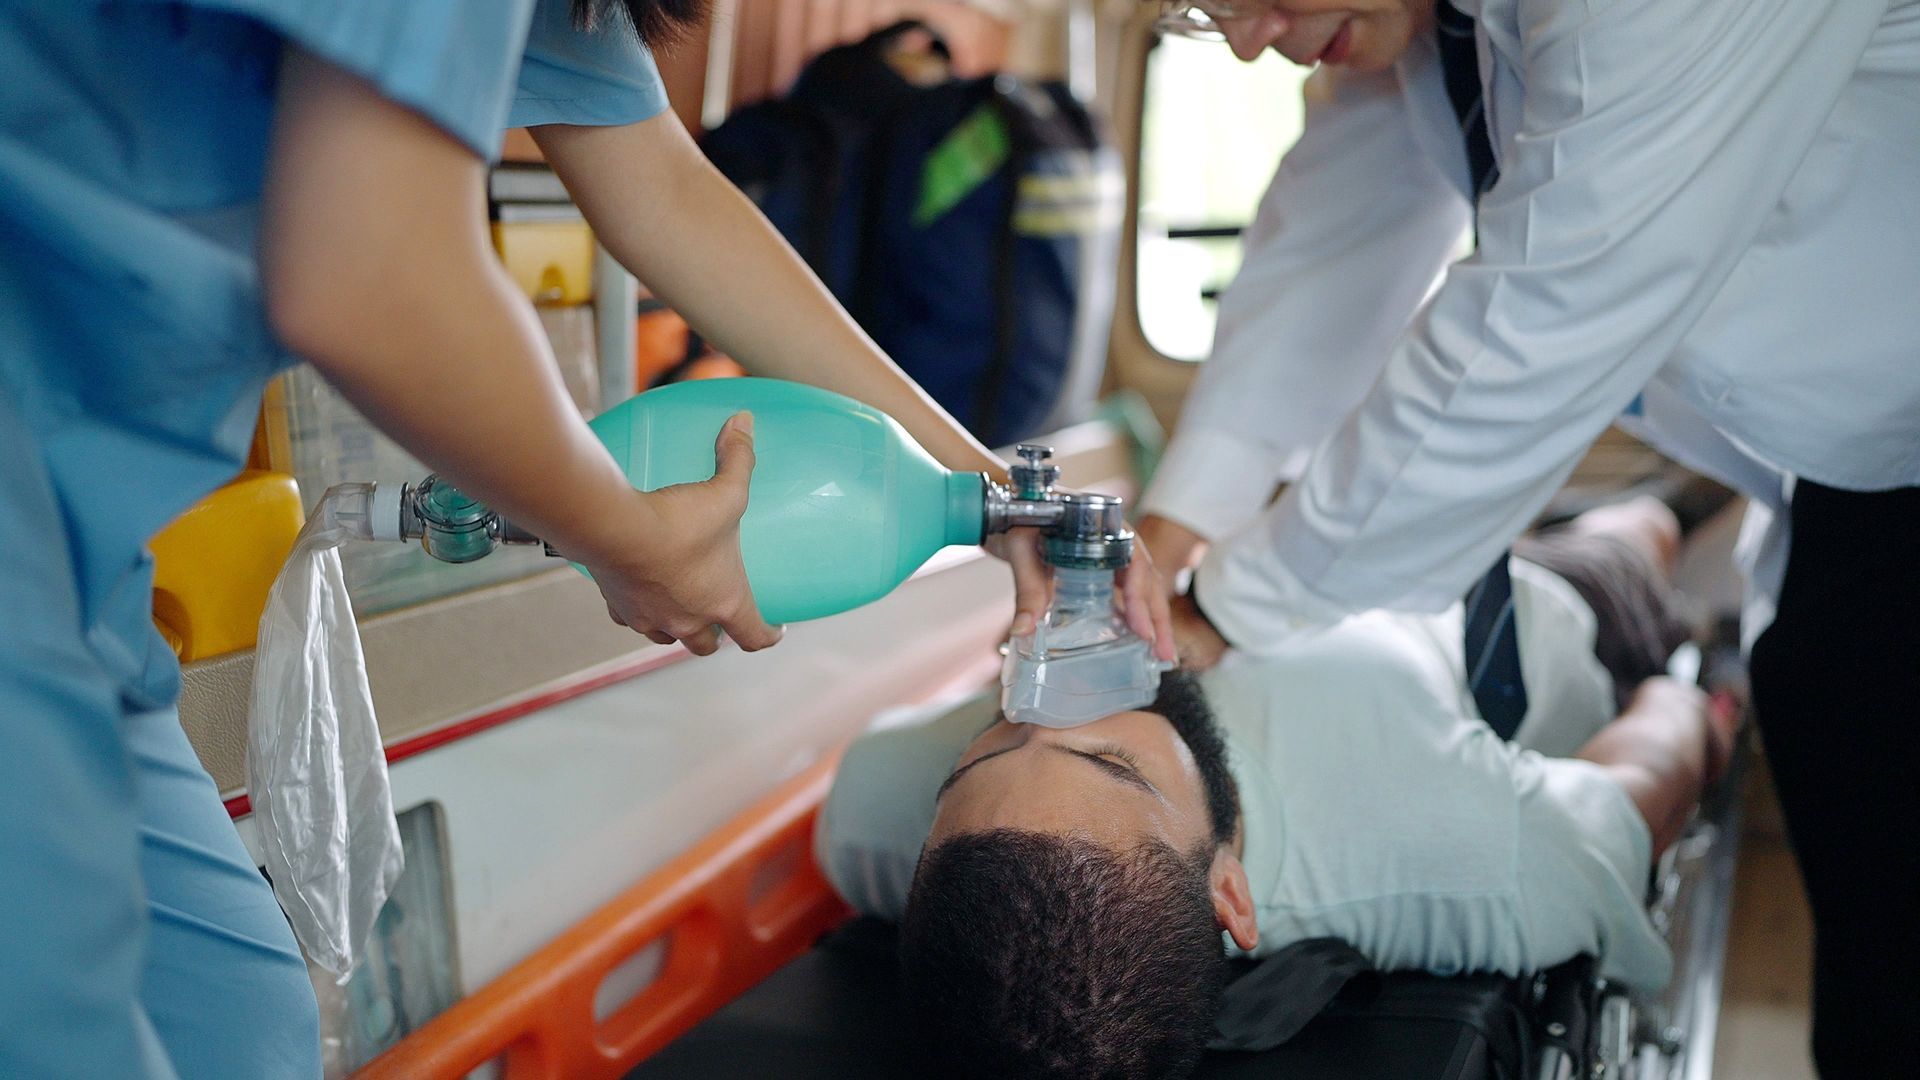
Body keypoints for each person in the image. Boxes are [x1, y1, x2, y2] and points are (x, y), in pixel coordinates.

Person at [0, 2, 1170, 1075]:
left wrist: (992, 491)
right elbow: (365, 275)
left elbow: (665, 191)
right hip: (28, 510)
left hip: (82, 546)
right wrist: (628, 539)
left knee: (242, 1026)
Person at [1133, 3, 1920, 1072]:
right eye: (1201, 7)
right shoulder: (1413, 27)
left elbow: (1551, 306)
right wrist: (1164, 543)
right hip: (1828, 463)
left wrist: (1223, 604)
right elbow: (1342, 228)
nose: (1245, 40)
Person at [819, 498, 1736, 1076]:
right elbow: (1654, 770)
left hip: (1312, 519)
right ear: (1229, 891)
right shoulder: (1466, 853)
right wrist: (1698, 706)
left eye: (986, 746)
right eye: (1112, 764)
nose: (1048, 704)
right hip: (1519, 604)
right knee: (1636, 531)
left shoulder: (875, 806)